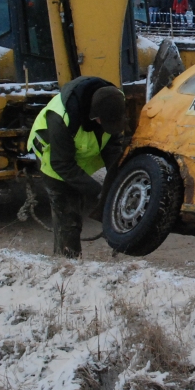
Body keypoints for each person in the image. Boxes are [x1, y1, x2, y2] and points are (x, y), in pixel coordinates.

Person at [27, 77, 127, 258]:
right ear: (94, 116)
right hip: (55, 163)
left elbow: (112, 146)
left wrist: (118, 180)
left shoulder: (113, 102)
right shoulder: (61, 118)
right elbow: (62, 164)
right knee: (69, 219)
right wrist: (98, 192)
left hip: (80, 157)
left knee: (91, 200)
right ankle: (67, 263)